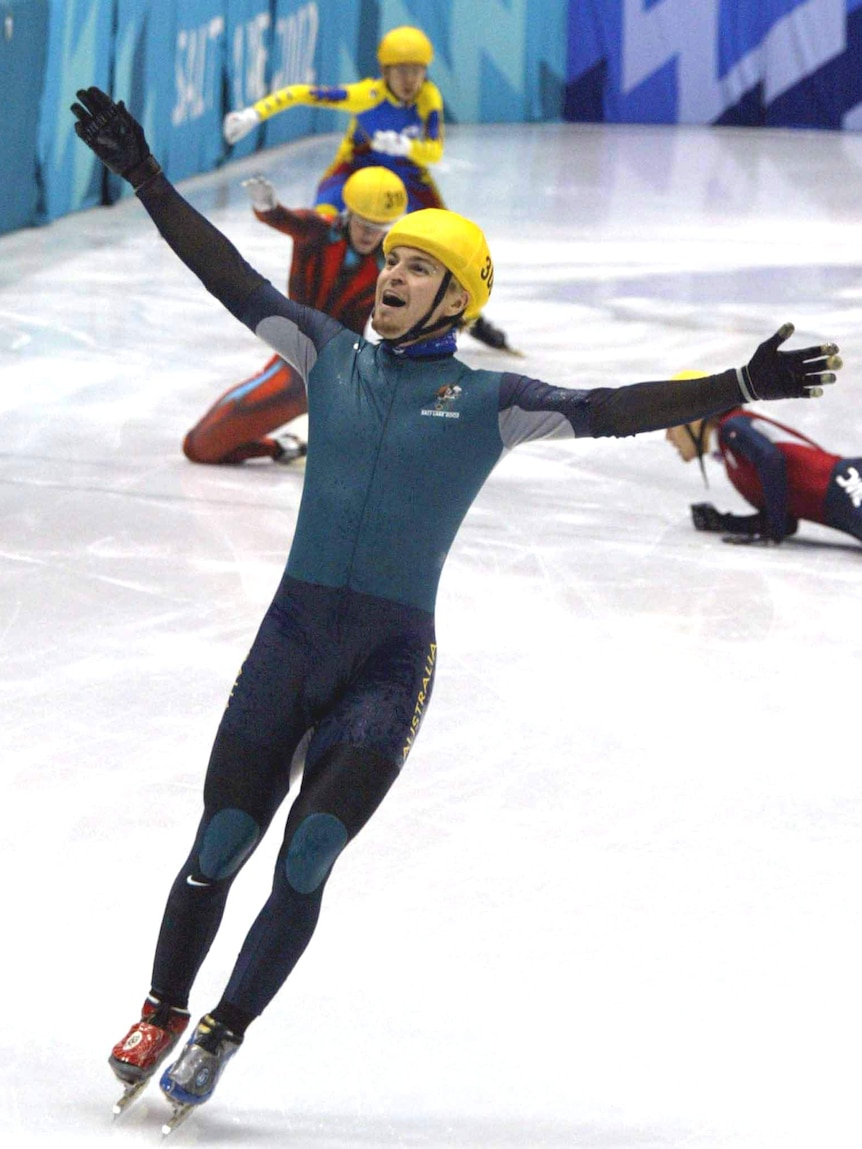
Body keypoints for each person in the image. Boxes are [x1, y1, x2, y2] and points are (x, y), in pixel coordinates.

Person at [70, 86, 842, 1129]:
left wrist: (735, 382)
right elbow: (226, 275)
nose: (389, 275)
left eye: (415, 266)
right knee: (219, 845)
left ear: (455, 298)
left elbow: (611, 411)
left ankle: (221, 1032)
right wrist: (149, 179)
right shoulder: (324, 354)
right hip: (290, 640)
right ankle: (163, 1009)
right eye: (391, 260)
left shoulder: (490, 402)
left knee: (306, 856)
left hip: (387, 665)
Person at [223, 24, 516, 354]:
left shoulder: (427, 97)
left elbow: (434, 149)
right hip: (354, 171)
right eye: (402, 71)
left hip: (407, 173)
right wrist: (253, 114)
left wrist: (405, 147)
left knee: (450, 249)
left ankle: (472, 320)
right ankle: (313, 315)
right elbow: (304, 93)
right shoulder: (365, 96)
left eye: (418, 71)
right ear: (386, 71)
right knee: (322, 228)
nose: (411, 80)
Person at [183, 165, 407, 465]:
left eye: (380, 225)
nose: (370, 233)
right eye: (364, 222)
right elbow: (286, 219)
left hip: (347, 372)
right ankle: (282, 448)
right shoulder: (318, 231)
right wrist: (267, 207)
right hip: (298, 368)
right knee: (199, 446)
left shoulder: (391, 263)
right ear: (349, 213)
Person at [665, 373, 862, 546]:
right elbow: (783, 522)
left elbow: (771, 459)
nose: (668, 437)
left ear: (695, 418)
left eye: (670, 424)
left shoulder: (732, 426)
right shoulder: (734, 461)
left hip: (849, 483)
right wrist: (725, 522)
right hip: (846, 495)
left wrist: (772, 534)